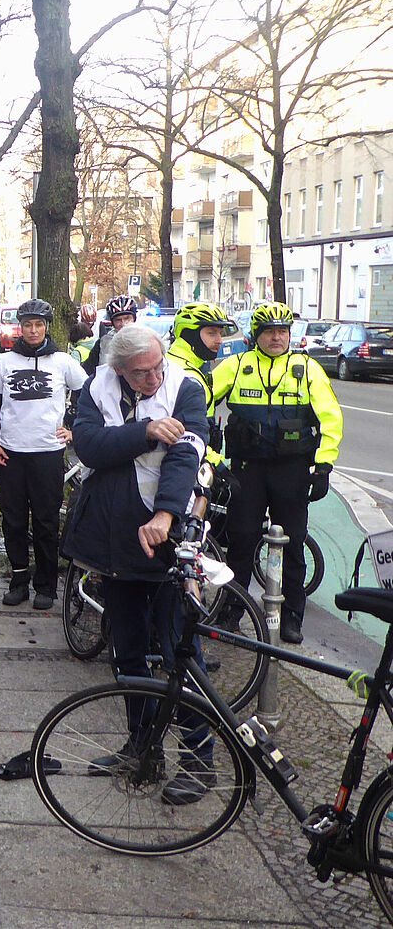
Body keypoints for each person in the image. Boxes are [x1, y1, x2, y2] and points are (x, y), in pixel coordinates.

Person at [64, 322, 215, 805]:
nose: (152, 380)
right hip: (114, 540)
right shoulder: (98, 386)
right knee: (128, 653)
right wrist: (145, 431)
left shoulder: (185, 388)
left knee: (178, 654)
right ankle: (142, 747)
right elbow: (88, 446)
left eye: (156, 369)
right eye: (140, 374)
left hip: (167, 538)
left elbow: (187, 454)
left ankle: (199, 760)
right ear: (120, 370)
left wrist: (167, 514)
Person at [211, 301, 343, 644]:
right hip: (247, 470)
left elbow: (331, 418)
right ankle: (231, 612)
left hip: (291, 470)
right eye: (269, 331)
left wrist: (324, 465)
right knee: (240, 542)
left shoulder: (307, 368)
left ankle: (291, 618)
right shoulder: (237, 365)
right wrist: (211, 452)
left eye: (282, 331)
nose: (276, 337)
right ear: (257, 335)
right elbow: (200, 399)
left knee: (294, 545)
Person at [0, 298, 87, 609]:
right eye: (27, 325)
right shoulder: (4, 362)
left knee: (45, 522)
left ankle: (46, 585)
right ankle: (18, 581)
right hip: (11, 453)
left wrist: (74, 430)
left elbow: (88, 396)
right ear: (21, 327)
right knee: (13, 521)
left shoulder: (63, 362)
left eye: (38, 325)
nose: (33, 330)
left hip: (48, 453)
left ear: (46, 328)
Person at [166, 302, 236, 467]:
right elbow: (184, 434)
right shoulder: (181, 373)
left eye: (220, 333)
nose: (219, 340)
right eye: (211, 333)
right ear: (189, 334)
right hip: (190, 462)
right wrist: (216, 465)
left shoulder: (195, 365)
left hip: (197, 458)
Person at [82, 295, 139, 376]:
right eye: (118, 320)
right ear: (112, 323)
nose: (123, 324)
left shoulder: (146, 340)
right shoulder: (103, 343)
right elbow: (87, 371)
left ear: (134, 319)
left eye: (127, 318)